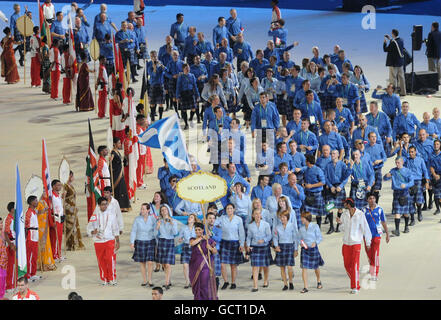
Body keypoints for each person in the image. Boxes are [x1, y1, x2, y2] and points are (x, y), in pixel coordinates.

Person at [337, 198, 372, 294]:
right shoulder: (344, 214)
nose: (343, 205)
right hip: (346, 243)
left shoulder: (360, 214)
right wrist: (340, 223)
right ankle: (355, 279)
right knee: (347, 265)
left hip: (356, 243)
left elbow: (366, 229)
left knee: (355, 265)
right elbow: (342, 229)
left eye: (345, 203)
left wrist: (368, 242)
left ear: (349, 204)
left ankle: (355, 286)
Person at [87, 197, 120, 286]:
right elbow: (88, 228)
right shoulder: (94, 216)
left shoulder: (112, 215)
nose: (105, 206)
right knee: (101, 260)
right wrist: (92, 232)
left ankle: (112, 278)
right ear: (99, 205)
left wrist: (118, 241)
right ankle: (104, 278)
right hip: (98, 241)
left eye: (106, 204)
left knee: (110, 259)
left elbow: (115, 228)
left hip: (110, 240)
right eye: (102, 204)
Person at [214, 203, 245, 290]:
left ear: (234, 209)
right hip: (224, 242)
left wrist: (242, 244)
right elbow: (214, 223)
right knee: (222, 264)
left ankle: (233, 282)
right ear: (225, 210)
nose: (229, 210)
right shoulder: (222, 218)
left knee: (233, 265)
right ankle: (225, 281)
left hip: (235, 243)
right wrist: (216, 215)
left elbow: (241, 232)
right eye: (227, 208)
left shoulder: (238, 219)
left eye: (231, 208)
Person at [384, 156, 415, 236]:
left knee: (405, 212)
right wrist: (386, 176)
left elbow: (412, 182)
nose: (397, 164)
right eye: (396, 163)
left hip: (405, 193)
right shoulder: (393, 170)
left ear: (402, 162)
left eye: (398, 163)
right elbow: (385, 178)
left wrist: (406, 185)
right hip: (396, 193)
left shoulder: (407, 171)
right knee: (397, 212)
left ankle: (406, 227)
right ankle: (397, 230)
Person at [363, 193, 390, 281]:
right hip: (366, 236)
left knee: (375, 254)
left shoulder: (379, 209)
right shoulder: (364, 210)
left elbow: (383, 222)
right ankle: (372, 268)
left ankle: (374, 274)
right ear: (367, 200)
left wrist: (387, 234)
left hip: (376, 235)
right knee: (369, 253)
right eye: (370, 198)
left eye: (373, 198)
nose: (372, 200)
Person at [189, 222, 218, 300]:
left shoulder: (209, 241)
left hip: (206, 266)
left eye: (199, 230)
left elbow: (215, 251)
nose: (197, 231)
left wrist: (210, 248)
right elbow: (192, 244)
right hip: (194, 266)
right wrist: (202, 238)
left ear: (202, 230)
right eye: (196, 230)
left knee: (204, 284)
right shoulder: (193, 239)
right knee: (196, 285)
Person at [130, 203, 157, 287]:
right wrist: (132, 242)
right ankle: (144, 280)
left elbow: (156, 231)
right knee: (142, 262)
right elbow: (134, 231)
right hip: (140, 241)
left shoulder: (153, 219)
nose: (142, 210)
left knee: (150, 262)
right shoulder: (137, 219)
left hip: (150, 241)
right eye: (141, 209)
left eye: (143, 209)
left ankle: (150, 279)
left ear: (148, 210)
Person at [246, 208, 272, 292]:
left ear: (261, 215)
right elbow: (249, 237)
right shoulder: (250, 226)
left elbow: (269, 236)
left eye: (259, 214)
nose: (257, 215)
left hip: (264, 247)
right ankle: (255, 286)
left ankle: (265, 280)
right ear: (253, 215)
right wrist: (248, 246)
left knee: (265, 266)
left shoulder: (266, 224)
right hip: (255, 247)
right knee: (255, 267)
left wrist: (264, 240)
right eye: (255, 214)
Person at [298, 212, 324, 293]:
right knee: (304, 268)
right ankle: (305, 287)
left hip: (313, 249)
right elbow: (299, 238)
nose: (301, 219)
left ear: (307, 218)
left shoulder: (315, 226)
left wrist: (315, 242)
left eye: (302, 218)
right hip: (305, 250)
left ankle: (319, 280)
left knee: (316, 267)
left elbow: (320, 237)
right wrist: (301, 243)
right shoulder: (301, 229)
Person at [273, 210, 298, 291]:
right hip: (281, 247)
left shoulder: (292, 226)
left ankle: (290, 281)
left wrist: (296, 249)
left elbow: (295, 238)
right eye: (281, 217)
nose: (282, 218)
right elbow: (275, 238)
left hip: (290, 246)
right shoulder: (277, 227)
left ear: (287, 217)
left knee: (289, 267)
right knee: (282, 267)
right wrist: (276, 246)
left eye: (284, 217)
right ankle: (285, 284)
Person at [156, 205, 178, 290]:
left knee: (168, 264)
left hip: (169, 241)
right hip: (161, 241)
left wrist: (172, 224)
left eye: (165, 210)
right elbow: (155, 233)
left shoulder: (173, 220)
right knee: (164, 264)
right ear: (160, 212)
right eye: (162, 210)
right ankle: (168, 279)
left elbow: (175, 232)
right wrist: (157, 227)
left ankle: (167, 283)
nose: (164, 211)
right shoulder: (159, 221)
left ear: (168, 211)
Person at [303, 154, 326, 228]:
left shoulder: (318, 170)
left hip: (316, 194)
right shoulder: (306, 170)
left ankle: (318, 227)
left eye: (306, 160)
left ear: (308, 162)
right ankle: (308, 227)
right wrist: (304, 184)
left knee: (318, 212)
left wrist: (311, 186)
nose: (305, 162)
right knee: (307, 211)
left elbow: (323, 182)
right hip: (308, 193)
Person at [64, 171, 85, 251]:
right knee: (70, 226)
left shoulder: (71, 186)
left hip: (73, 208)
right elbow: (63, 199)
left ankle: (75, 243)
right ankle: (71, 244)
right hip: (69, 209)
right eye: (72, 176)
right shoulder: (65, 186)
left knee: (75, 225)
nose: (73, 178)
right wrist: (69, 208)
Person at [35, 197, 56, 272]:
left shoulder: (44, 202)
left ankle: (47, 261)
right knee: (41, 245)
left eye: (44, 189)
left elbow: (48, 213)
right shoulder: (36, 204)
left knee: (47, 244)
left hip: (45, 227)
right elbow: (35, 214)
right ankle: (41, 263)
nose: (44, 191)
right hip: (40, 227)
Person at [176, 63, 200, 129]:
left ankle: (191, 118)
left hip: (191, 93)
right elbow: (178, 86)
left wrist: (197, 95)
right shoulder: (180, 76)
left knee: (193, 108)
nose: (188, 69)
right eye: (186, 68)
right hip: (183, 94)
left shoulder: (192, 76)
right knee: (184, 110)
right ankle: (186, 124)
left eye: (188, 68)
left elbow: (195, 86)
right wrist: (177, 96)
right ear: (183, 69)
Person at [383, 29, 406, 96]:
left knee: (393, 79)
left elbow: (386, 49)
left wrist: (385, 43)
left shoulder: (393, 43)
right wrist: (390, 39)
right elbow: (396, 45)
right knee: (401, 78)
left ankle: (393, 93)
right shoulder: (401, 40)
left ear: (393, 34)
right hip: (400, 62)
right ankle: (403, 92)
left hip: (393, 63)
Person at [111, 137, 131, 212]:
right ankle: (119, 207)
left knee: (122, 189)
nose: (120, 144)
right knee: (118, 190)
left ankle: (123, 206)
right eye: (118, 143)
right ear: (114, 144)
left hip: (120, 173)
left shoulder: (117, 151)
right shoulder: (113, 152)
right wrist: (110, 159)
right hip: (116, 174)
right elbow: (110, 161)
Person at [179, 214, 198, 289]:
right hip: (186, 246)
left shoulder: (196, 228)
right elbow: (180, 237)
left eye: (191, 217)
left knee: (194, 265)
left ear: (194, 220)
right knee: (185, 265)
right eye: (189, 217)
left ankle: (194, 280)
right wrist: (180, 239)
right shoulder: (183, 227)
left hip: (195, 247)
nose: (189, 218)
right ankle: (187, 281)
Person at [25, 196, 41, 281]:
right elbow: (26, 225)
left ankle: (33, 273)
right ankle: (28, 275)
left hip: (35, 235)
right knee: (29, 256)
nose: (37, 201)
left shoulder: (34, 212)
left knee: (34, 255)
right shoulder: (28, 212)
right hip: (30, 235)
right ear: (31, 202)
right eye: (35, 200)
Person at [50, 180, 65, 262]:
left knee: (59, 237)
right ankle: (54, 255)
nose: (60, 186)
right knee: (54, 238)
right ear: (53, 186)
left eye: (60, 185)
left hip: (60, 218)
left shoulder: (58, 195)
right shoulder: (51, 196)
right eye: (58, 185)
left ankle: (58, 254)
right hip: (55, 218)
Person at [3, 202, 16, 292]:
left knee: (14, 265)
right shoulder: (8, 219)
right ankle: (8, 286)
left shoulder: (13, 218)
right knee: (10, 265)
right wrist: (10, 244)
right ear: (12, 209)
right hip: (10, 244)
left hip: (15, 242)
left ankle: (12, 283)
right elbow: (5, 233)